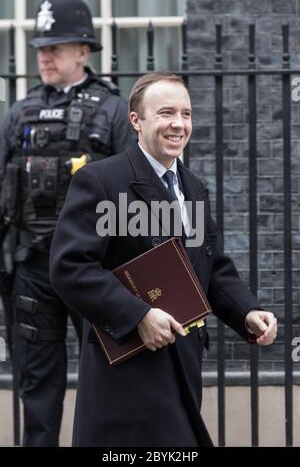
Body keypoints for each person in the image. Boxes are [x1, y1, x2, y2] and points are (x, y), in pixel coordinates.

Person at [49, 72, 278, 447]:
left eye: (186, 114)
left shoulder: (192, 187)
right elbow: (70, 268)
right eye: (166, 113)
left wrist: (247, 312)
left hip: (182, 364)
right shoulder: (101, 181)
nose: (179, 124)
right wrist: (138, 314)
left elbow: (211, 267)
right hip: (126, 371)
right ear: (136, 121)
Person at [0, 0, 133, 447]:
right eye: (41, 46)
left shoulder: (113, 110)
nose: (44, 55)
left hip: (92, 269)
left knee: (107, 378)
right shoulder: (19, 111)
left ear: (83, 51)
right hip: (33, 267)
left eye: (55, 46)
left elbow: (133, 192)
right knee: (37, 384)